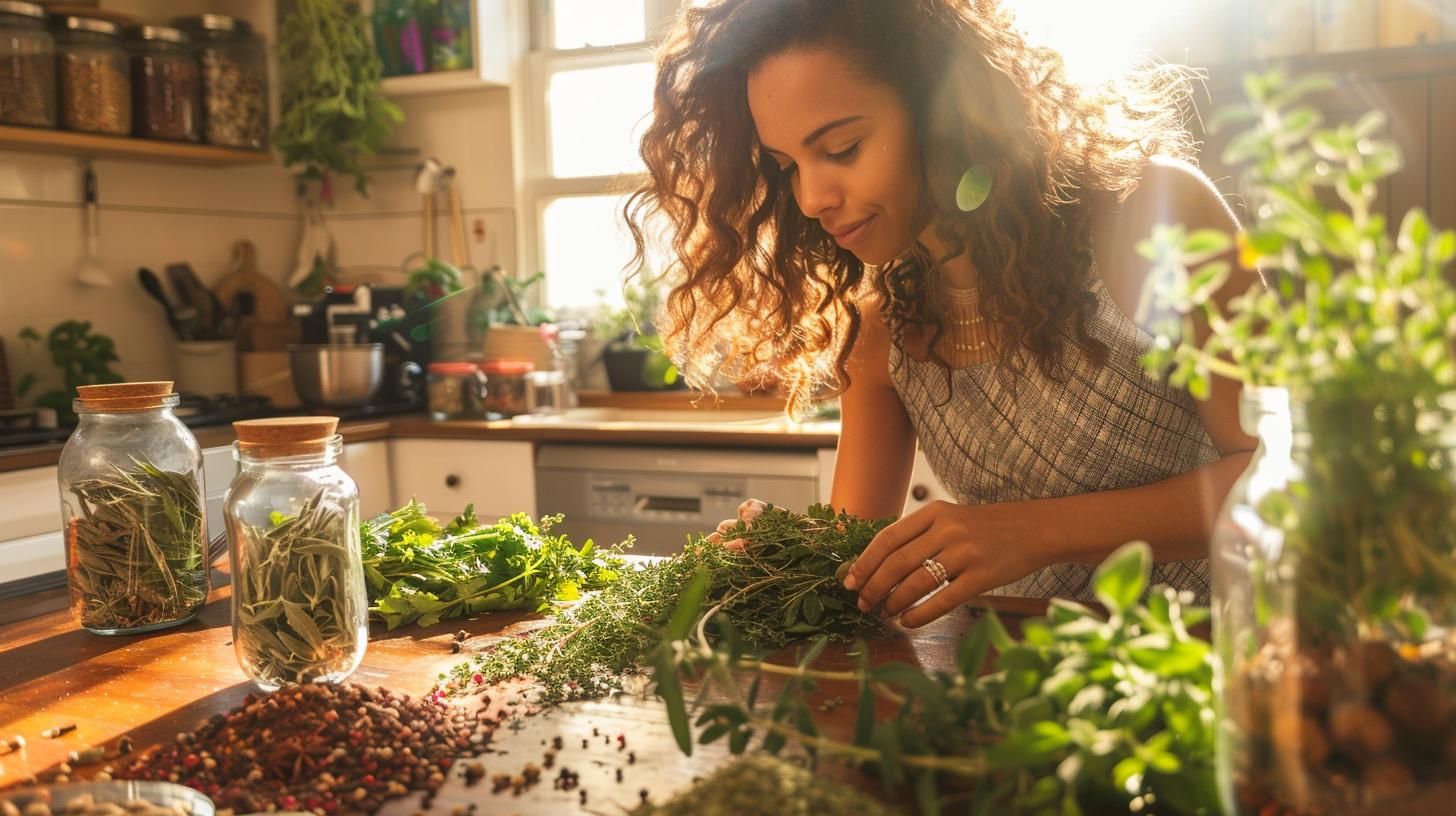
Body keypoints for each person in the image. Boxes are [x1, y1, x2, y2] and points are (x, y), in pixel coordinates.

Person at [623, 0, 1259, 627]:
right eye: (788, 166)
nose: (813, 198)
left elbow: (1284, 477)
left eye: (841, 148)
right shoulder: (882, 321)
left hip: (1217, 665)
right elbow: (853, 561)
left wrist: (1034, 532)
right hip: (1017, 681)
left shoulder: (1150, 213)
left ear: (942, 110)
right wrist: (781, 555)